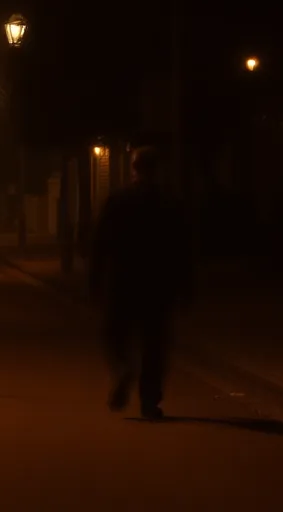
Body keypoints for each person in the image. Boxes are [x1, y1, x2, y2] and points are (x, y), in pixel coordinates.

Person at [88, 146, 193, 421]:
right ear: (155, 169)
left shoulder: (118, 200)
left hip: (123, 280)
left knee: (115, 334)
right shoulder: (169, 202)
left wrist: (95, 279)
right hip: (158, 283)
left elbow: (101, 242)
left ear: (133, 168)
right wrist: (187, 286)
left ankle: (123, 368)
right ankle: (149, 400)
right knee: (154, 344)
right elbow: (182, 248)